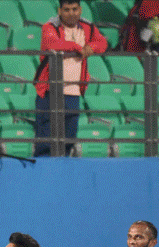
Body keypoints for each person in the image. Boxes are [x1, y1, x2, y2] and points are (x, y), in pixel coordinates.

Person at [33, 0, 107, 158]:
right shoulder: (50, 26)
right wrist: (77, 47)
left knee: (68, 141)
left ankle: (62, 176)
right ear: (59, 11)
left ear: (80, 9)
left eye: (74, 9)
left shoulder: (88, 27)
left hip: (74, 93)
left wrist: (91, 47)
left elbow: (102, 42)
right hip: (49, 92)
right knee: (45, 142)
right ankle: (43, 177)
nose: (71, 13)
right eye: (66, 10)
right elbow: (52, 43)